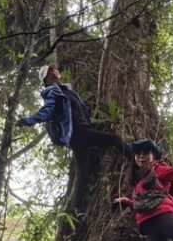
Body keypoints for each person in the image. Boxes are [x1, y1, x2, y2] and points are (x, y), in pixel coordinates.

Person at [17, 64, 132, 210]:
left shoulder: (67, 91)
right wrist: (30, 120)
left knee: (84, 171)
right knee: (114, 139)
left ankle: (79, 209)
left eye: (54, 69)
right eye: (50, 72)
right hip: (79, 132)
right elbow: (47, 111)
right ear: (46, 81)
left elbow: (82, 110)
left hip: (78, 136)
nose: (54, 72)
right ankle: (135, 159)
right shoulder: (53, 93)